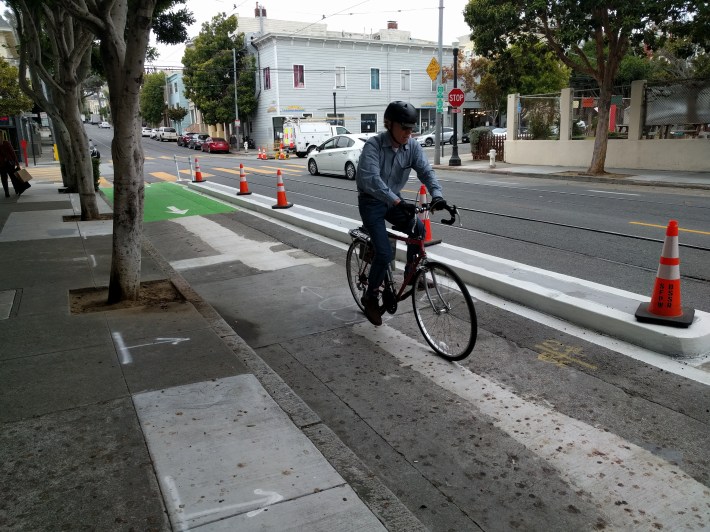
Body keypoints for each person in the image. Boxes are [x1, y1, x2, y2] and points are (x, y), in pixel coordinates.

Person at [355, 101, 448, 326]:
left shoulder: (412, 146)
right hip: (371, 203)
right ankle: (370, 297)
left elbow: (426, 171)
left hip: (393, 201)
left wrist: (437, 195)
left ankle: (413, 275)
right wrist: (397, 201)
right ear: (390, 124)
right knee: (385, 253)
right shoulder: (374, 146)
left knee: (419, 228)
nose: (409, 133)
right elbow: (371, 180)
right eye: (404, 128)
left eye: (412, 128)